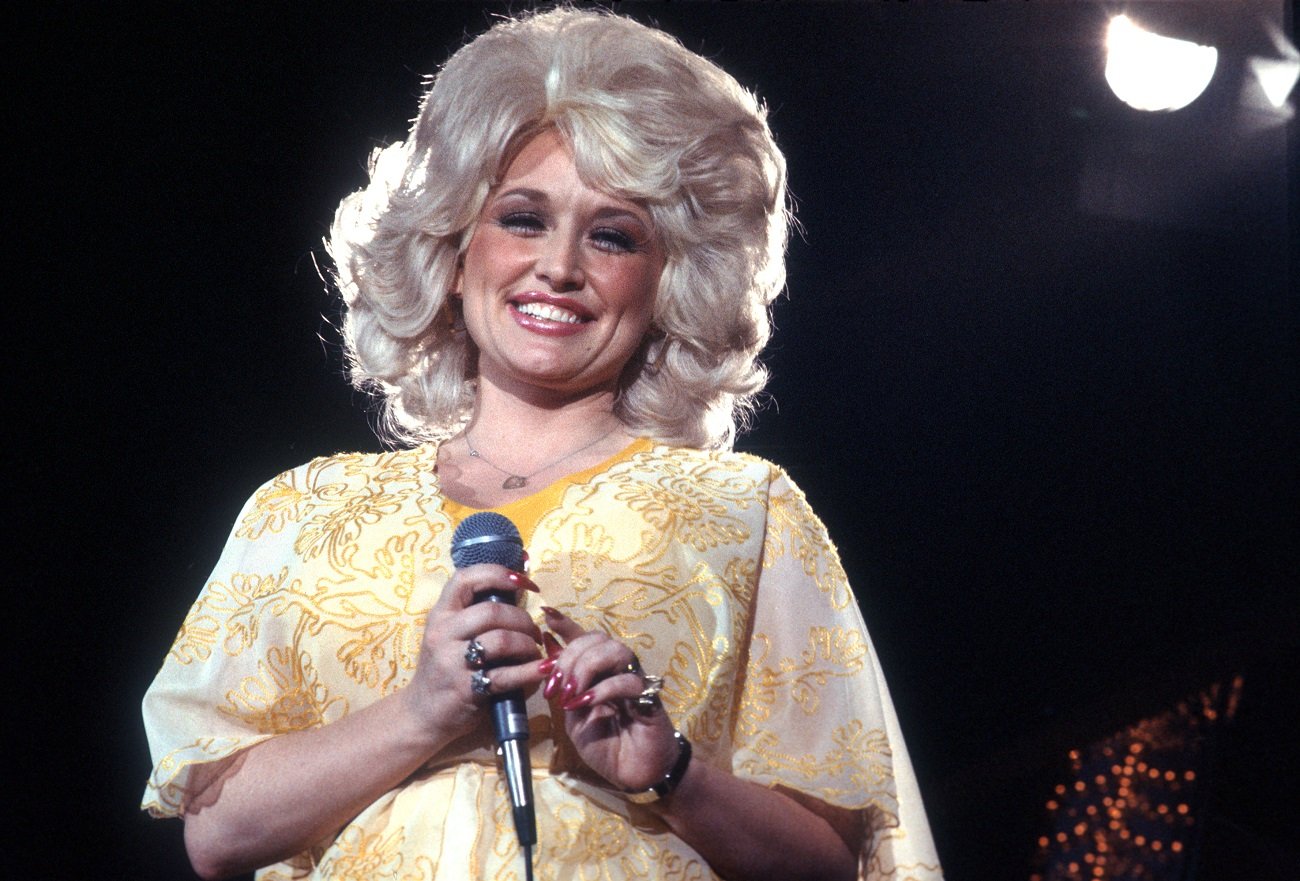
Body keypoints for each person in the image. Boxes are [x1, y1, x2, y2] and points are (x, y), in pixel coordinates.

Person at [141, 8, 943, 881]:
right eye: (523, 218)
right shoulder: (303, 512)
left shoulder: (748, 512)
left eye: (612, 235)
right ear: (452, 249)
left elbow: (839, 862)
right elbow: (215, 833)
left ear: (673, 279)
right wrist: (423, 711)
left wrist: (670, 771)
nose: (559, 267)